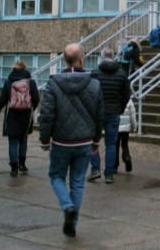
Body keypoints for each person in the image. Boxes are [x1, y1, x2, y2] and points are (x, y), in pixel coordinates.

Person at [39, 43, 104, 238]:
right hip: (84, 141)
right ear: (81, 59)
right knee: (77, 182)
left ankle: (67, 207)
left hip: (61, 141)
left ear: (64, 60)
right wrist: (96, 140)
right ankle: (72, 223)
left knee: (57, 177)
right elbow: (99, 114)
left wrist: (45, 139)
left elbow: (47, 114)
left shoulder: (53, 83)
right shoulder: (94, 84)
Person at [87, 47, 130, 184]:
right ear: (114, 56)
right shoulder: (122, 74)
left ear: (101, 56)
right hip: (114, 112)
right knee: (111, 144)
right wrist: (120, 108)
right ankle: (109, 174)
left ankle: (95, 170)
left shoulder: (95, 73)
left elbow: (89, 94)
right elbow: (126, 95)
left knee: (93, 142)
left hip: (97, 113)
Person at [0, 60, 40, 177]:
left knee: (12, 141)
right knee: (23, 140)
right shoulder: (31, 82)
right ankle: (22, 164)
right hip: (26, 115)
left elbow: (3, 100)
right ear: (25, 69)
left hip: (12, 115)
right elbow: (36, 98)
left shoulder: (9, 82)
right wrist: (31, 108)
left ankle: (14, 168)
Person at [114, 97, 137, 173]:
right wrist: (134, 126)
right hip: (126, 128)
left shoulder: (115, 99)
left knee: (115, 146)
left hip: (116, 127)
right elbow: (132, 115)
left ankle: (115, 165)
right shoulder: (129, 100)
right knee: (125, 144)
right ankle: (127, 158)